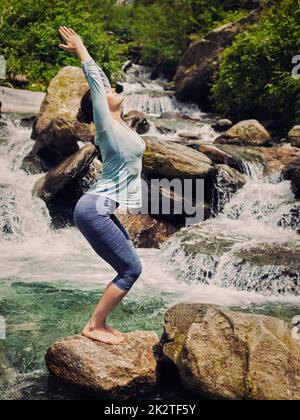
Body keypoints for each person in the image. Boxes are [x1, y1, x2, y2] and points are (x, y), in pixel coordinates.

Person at [58, 26, 146, 345]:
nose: (110, 87)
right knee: (131, 270)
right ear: (98, 103)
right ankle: (94, 325)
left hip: (101, 209)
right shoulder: (106, 127)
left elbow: (103, 80)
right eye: (105, 89)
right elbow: (96, 79)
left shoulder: (120, 124)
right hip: (94, 210)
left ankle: (99, 323)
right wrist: (81, 47)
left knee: (130, 265)